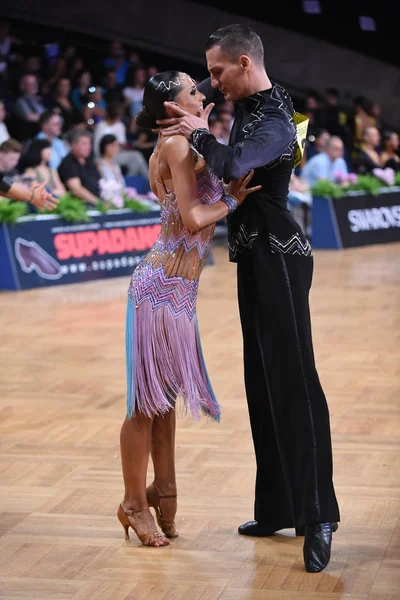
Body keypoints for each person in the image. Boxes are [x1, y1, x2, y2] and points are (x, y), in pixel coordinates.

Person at [157, 24, 340, 573]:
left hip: (282, 257)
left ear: (242, 62)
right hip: (257, 257)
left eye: (216, 72)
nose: (211, 83)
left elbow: (236, 166)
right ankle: (278, 505)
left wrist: (197, 132)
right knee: (262, 379)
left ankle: (318, 514)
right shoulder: (258, 104)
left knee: (295, 379)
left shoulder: (276, 116)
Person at [118, 70, 259, 548]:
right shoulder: (176, 146)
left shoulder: (185, 143)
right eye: (194, 91)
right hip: (159, 289)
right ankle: (135, 504)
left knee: (165, 403)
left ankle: (163, 489)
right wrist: (233, 203)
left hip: (178, 293)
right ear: (172, 108)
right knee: (145, 404)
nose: (204, 93)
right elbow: (195, 217)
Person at [58, 128, 101, 205]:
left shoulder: (89, 161)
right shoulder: (68, 163)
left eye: (89, 143)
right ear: (74, 145)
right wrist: (99, 203)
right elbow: (76, 190)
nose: (88, 147)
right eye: (84, 144)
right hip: (83, 206)